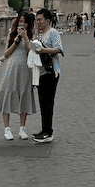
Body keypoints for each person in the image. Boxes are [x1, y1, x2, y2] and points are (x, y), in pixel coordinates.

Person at [0, 13, 37, 140]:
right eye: (20, 21)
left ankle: (22, 128)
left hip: (25, 68)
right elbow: (6, 54)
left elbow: (32, 52)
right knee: (7, 93)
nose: (22, 24)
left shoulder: (32, 35)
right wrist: (15, 41)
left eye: (24, 22)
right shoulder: (12, 34)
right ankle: (7, 128)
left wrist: (25, 38)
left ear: (28, 24)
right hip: (12, 68)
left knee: (24, 94)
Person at [31, 8, 63, 143]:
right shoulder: (40, 34)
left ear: (47, 21)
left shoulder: (53, 33)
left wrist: (43, 50)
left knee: (48, 102)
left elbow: (59, 49)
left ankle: (48, 132)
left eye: (40, 20)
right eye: (36, 20)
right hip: (41, 72)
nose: (37, 22)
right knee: (43, 102)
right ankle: (44, 129)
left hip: (51, 72)